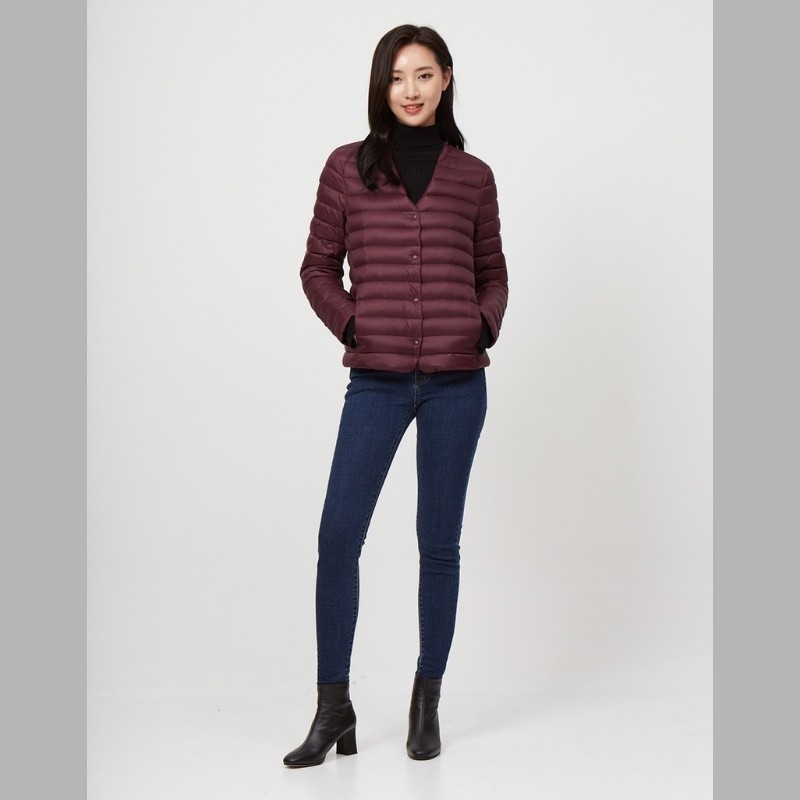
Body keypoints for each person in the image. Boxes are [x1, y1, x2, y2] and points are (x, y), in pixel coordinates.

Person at [283, 23, 508, 767]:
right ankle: (333, 707)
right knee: (338, 537)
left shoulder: (473, 177)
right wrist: (354, 323)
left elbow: (493, 272)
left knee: (438, 544)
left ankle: (426, 698)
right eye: (397, 76)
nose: (410, 90)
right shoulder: (346, 169)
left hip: (456, 383)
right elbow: (317, 267)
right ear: (382, 85)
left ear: (446, 80)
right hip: (375, 381)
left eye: (424, 74)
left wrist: (481, 324)